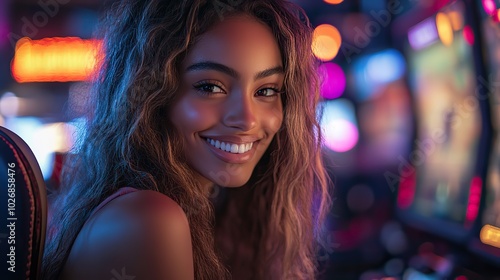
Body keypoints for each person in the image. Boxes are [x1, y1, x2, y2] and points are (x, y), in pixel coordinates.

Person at [42, 0, 332, 279]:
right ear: (151, 96)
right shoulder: (151, 220)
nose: (247, 119)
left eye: (266, 90)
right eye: (210, 86)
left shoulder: (211, 211)